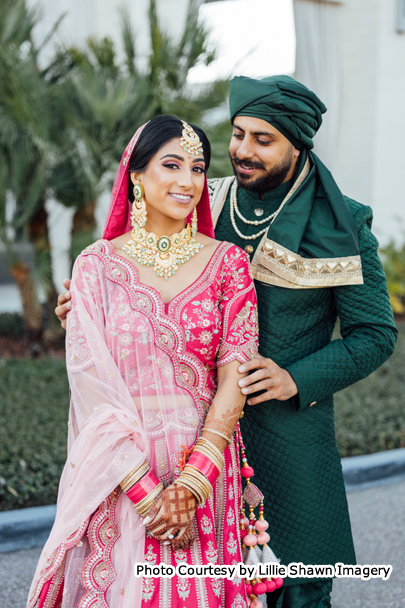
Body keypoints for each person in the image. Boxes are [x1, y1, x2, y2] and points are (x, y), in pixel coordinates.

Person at [56, 76, 398, 608]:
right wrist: (89, 310)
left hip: (286, 438)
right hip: (192, 439)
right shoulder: (205, 195)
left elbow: (375, 334)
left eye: (263, 140)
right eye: (238, 134)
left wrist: (295, 377)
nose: (241, 151)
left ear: (297, 144)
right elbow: (141, 276)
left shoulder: (345, 222)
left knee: (300, 592)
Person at [28, 115, 262, 608]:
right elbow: (91, 388)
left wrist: (194, 483)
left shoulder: (228, 263)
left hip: (205, 470)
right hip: (123, 474)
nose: (187, 181)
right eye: (171, 165)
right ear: (135, 174)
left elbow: (236, 372)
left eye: (198, 168)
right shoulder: (95, 266)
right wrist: (147, 493)